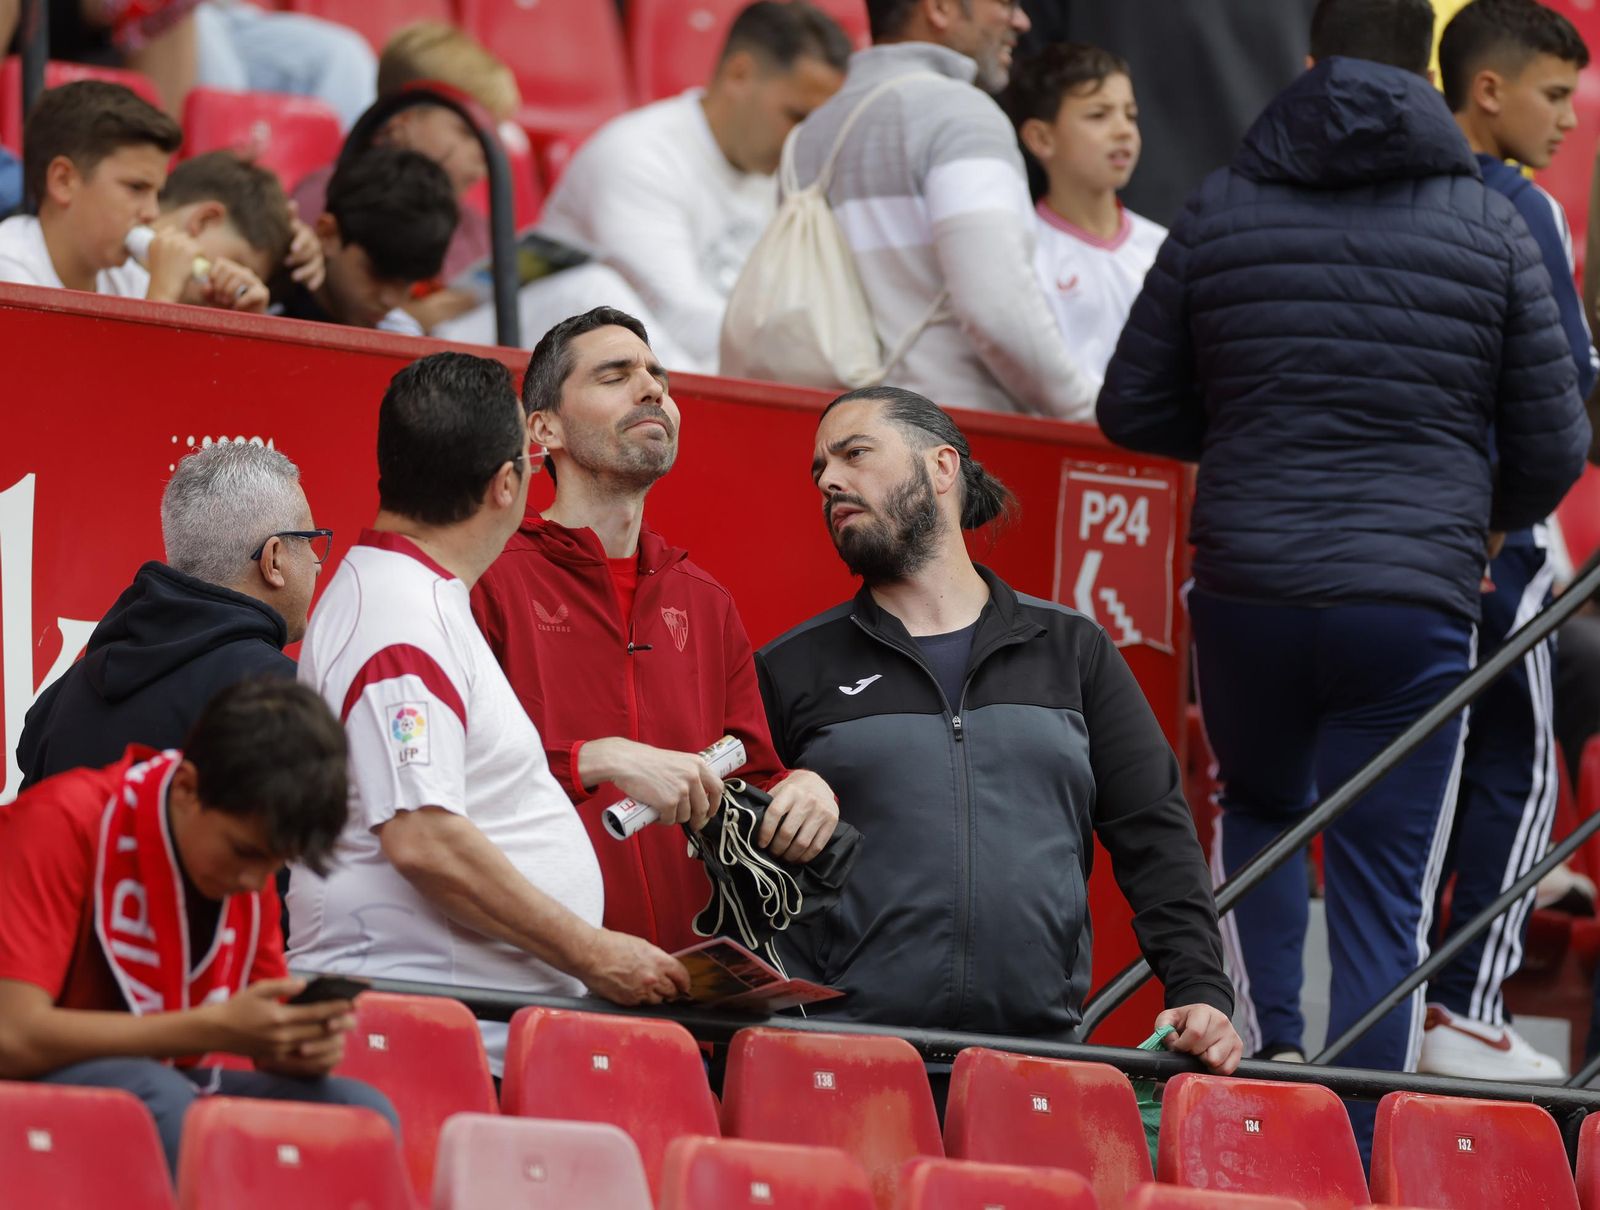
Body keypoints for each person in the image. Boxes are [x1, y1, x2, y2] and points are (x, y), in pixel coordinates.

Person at [1097, 0, 1588, 1151]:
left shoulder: (1218, 202)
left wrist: (1241, 437)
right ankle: (1360, 1140)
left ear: (1305, 61)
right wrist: (1477, 517)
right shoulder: (1490, 219)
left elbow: (1131, 406)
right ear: (1426, 64)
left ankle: (1262, 1072)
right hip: (1412, 596)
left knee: (1258, 811)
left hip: (1249, 582)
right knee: (1384, 868)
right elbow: (1557, 440)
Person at [756, 386, 1241, 1072]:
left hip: (1032, 1067)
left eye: (855, 453)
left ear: (943, 467)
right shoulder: (791, 667)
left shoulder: (1073, 650)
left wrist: (1199, 986)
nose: (830, 478)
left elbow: (1155, 832)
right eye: (819, 471)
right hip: (846, 1060)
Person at [287, 351, 689, 1072]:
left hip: (453, 1038)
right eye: (531, 459)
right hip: (432, 1050)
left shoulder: (409, 594)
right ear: (507, 484)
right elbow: (424, 840)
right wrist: (592, 952)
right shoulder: (402, 622)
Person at [471, 307, 841, 954]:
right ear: (544, 427)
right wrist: (596, 761)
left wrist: (799, 792)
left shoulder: (706, 602)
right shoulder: (489, 579)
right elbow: (453, 779)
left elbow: (748, 778)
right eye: (615, 375)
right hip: (538, 985)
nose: (652, 389)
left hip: (688, 1000)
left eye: (658, 376)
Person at [0, 679, 396, 1176]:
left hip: (154, 1081)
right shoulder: (62, 820)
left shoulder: (246, 869)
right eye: (244, 852)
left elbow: (257, 1026)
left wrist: (294, 1044)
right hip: (29, 1093)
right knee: (159, 1096)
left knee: (357, 1111)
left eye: (275, 864)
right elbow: (10, 1036)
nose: (255, 881)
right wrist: (208, 1028)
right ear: (186, 788)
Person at [1423, 0, 1597, 1082]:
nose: (1571, 119)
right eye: (1553, 93)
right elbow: (1567, 388)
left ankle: (1397, 1004)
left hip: (1387, 525)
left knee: (1418, 771)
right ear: (1486, 89)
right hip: (1495, 535)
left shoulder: (1386, 191)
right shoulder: (1521, 207)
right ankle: (1467, 1008)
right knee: (1520, 758)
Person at [776, 0, 1098, 418]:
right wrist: (1083, 410)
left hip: (839, 439)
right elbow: (997, 309)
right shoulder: (961, 114)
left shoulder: (808, 133)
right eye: (1004, 3)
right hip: (954, 443)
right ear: (941, 8)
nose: (1022, 20)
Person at [535, 2, 849, 371]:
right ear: (739, 74)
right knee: (604, 302)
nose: (805, 139)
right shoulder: (638, 153)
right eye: (796, 116)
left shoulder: (789, 172)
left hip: (653, 380)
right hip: (553, 366)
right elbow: (680, 316)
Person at [17, 441, 326, 791]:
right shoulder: (285, 701)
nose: (317, 565)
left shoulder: (59, 701)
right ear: (273, 559)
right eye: (311, 541)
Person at [291, 21, 520, 335]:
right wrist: (420, 316)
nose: (485, 152)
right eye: (468, 132)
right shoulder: (324, 195)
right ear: (401, 121)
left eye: (492, 136)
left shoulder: (476, 228)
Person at [0, 83, 307, 310]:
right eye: (136, 188)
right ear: (64, 181)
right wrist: (161, 300)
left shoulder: (127, 280)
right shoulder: (8, 269)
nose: (151, 213)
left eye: (157, 193)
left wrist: (232, 322)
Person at [1002, 42, 1166, 397]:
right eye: (1098, 115)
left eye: (1130, 114)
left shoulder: (1165, 247)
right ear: (1040, 137)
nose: (1123, 130)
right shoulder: (1021, 252)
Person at [278, 145, 457, 330]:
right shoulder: (264, 305)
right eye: (377, 274)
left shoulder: (403, 336)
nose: (390, 300)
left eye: (407, 283)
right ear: (328, 234)